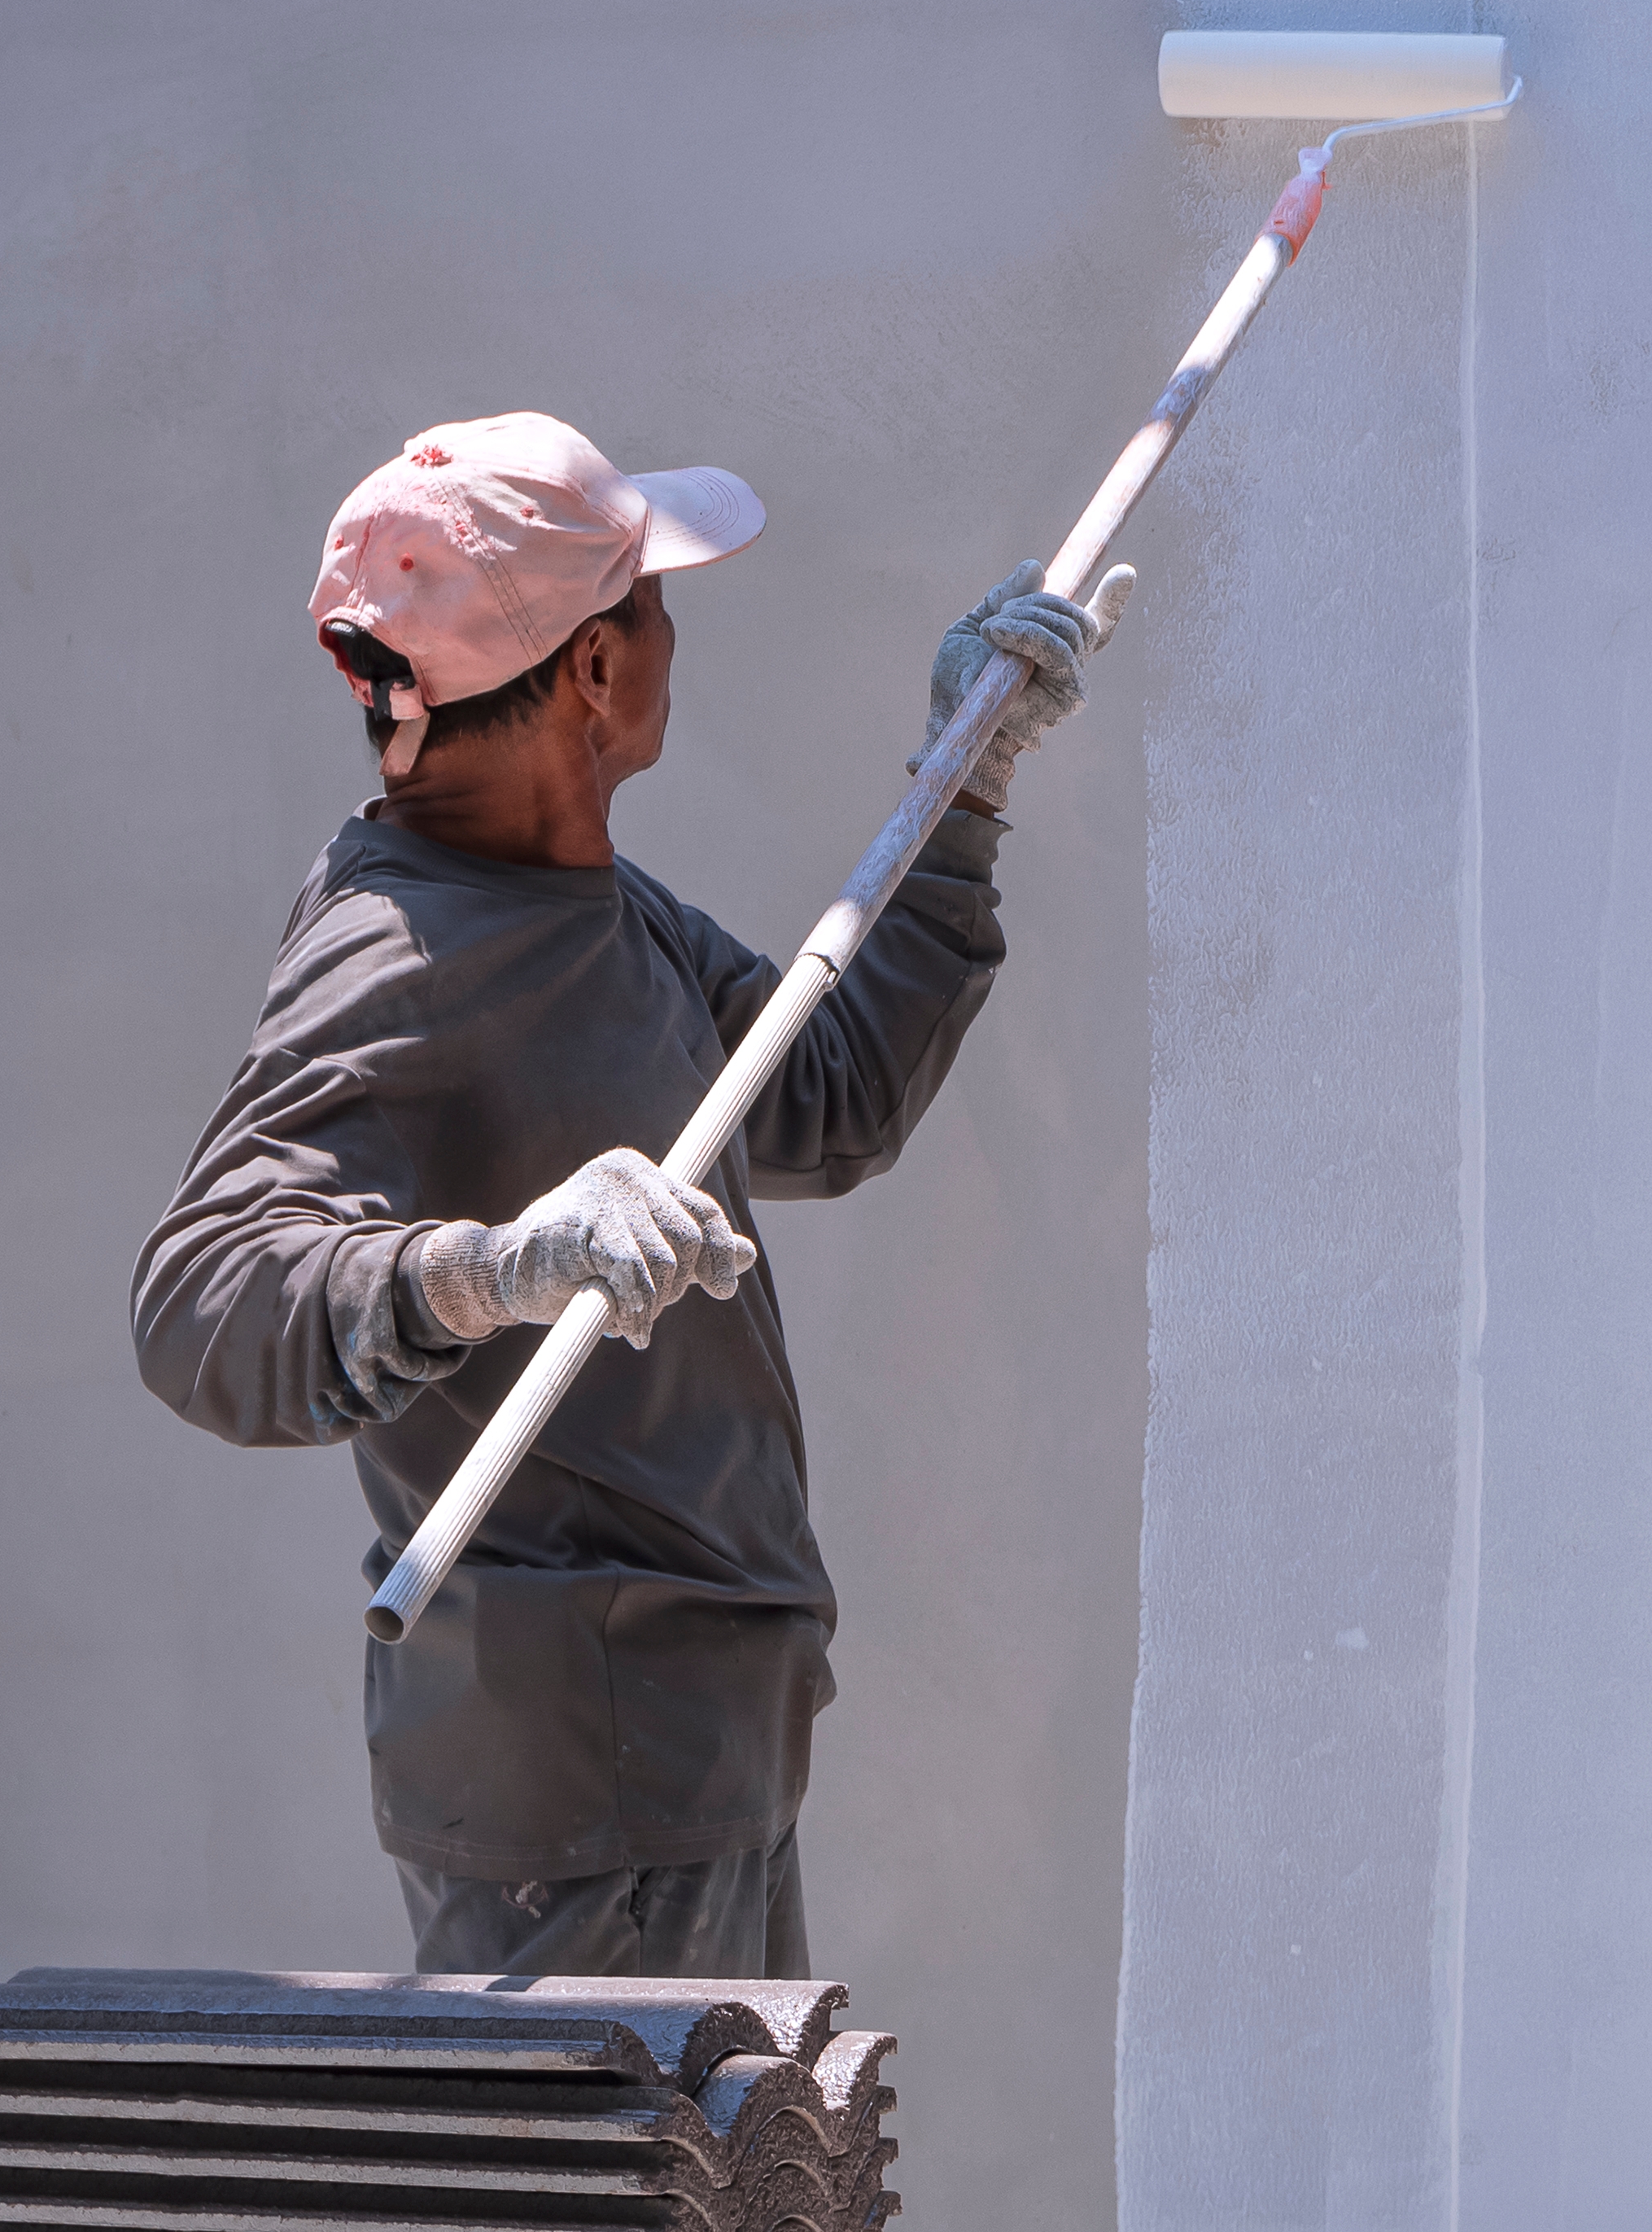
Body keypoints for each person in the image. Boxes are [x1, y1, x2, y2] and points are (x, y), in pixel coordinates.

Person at [133, 409, 1122, 1976]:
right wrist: (495, 1267)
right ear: (593, 671)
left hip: (681, 1754)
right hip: (578, 1809)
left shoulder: (588, 903)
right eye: (652, 603)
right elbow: (202, 1302)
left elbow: (825, 1094)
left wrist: (962, 789)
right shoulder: (399, 945)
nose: (673, 635)